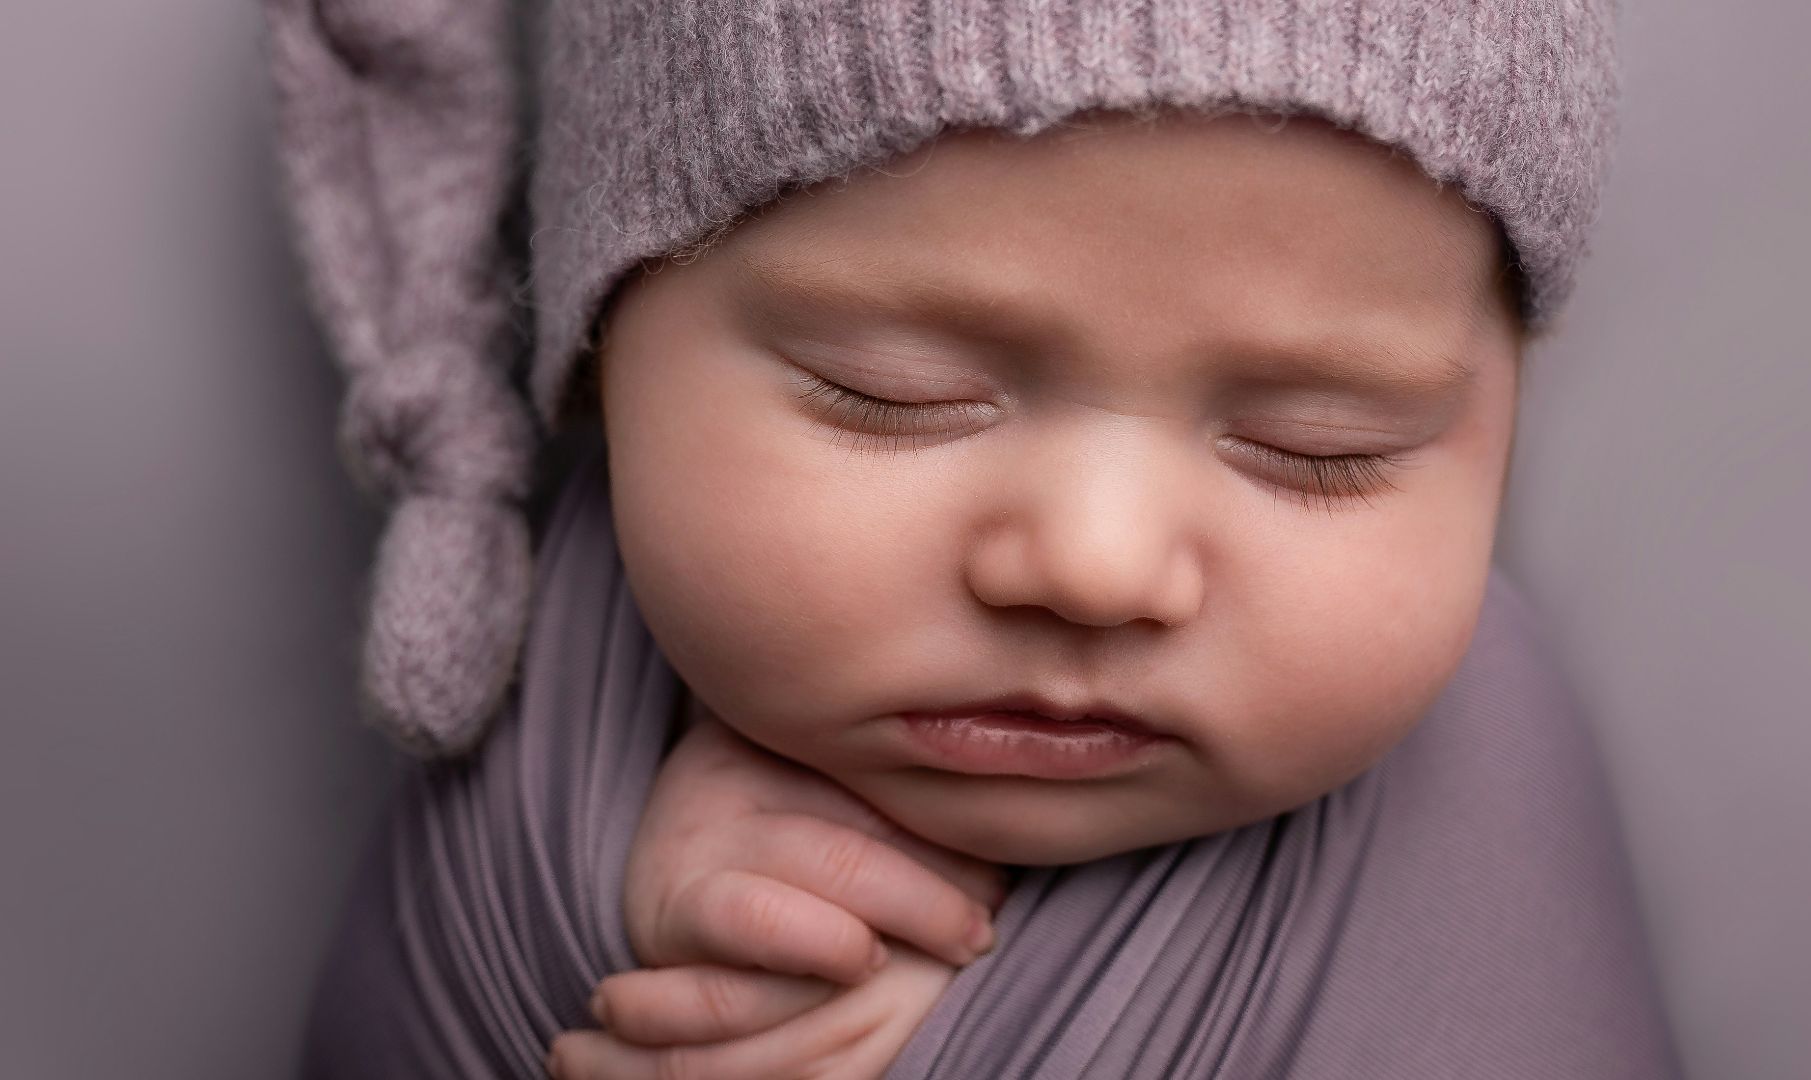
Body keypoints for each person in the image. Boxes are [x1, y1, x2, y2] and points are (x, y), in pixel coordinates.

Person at [269, 1, 1681, 1077]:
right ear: (597, 359)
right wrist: (603, 917)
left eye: (1320, 446)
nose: (1096, 564)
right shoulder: (546, 749)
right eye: (897, 398)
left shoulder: (1483, 790)